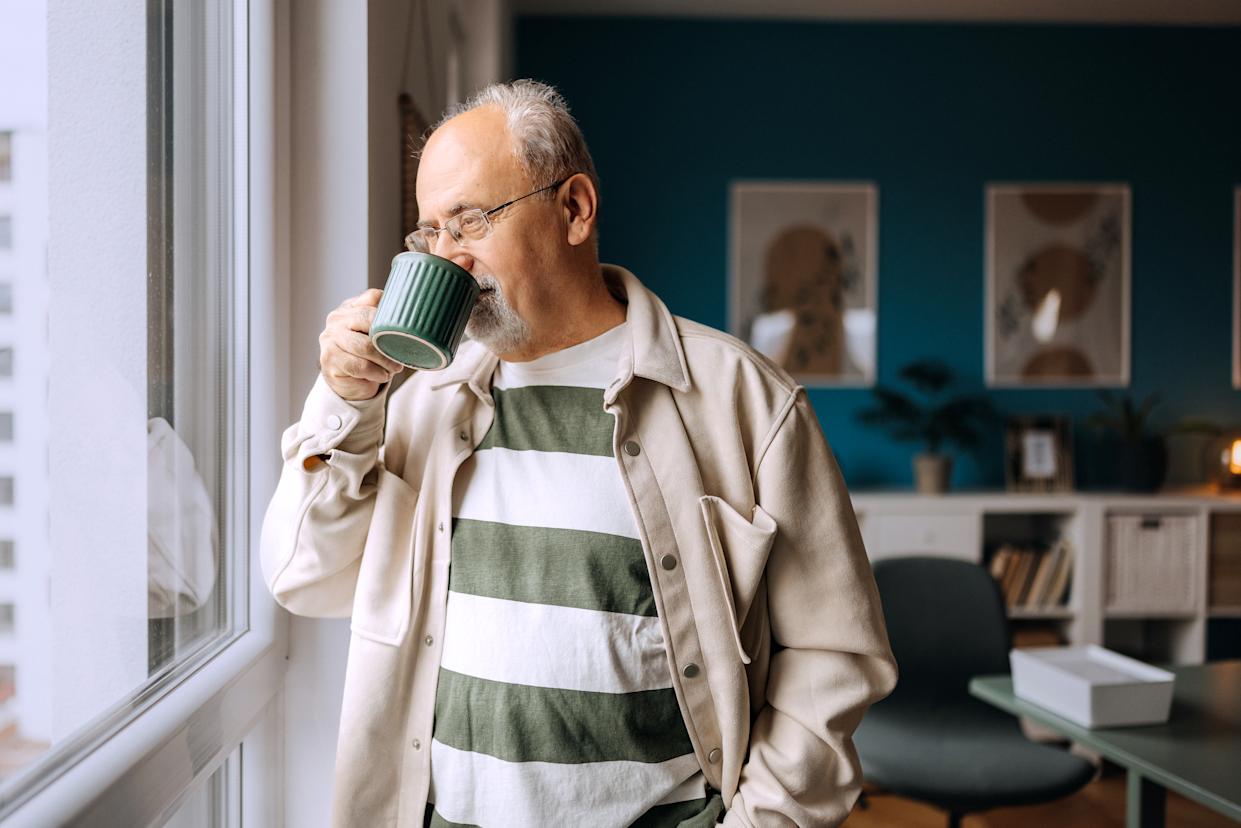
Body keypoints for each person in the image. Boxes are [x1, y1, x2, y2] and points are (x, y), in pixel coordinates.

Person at [260, 79, 896, 828]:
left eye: (470, 221)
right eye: (430, 235)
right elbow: (304, 578)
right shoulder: (419, 402)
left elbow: (834, 656)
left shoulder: (740, 399)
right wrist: (343, 401)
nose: (447, 259)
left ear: (573, 209)